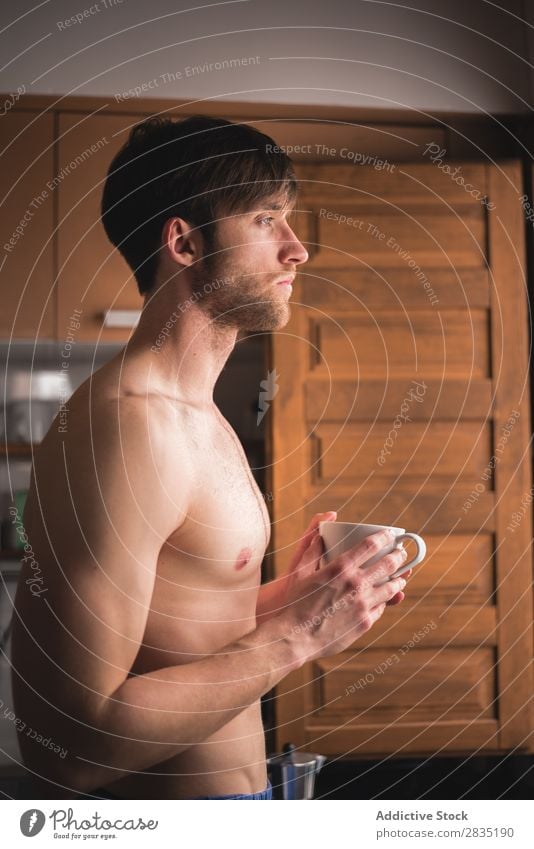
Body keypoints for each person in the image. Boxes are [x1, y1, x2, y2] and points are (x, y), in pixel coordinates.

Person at [11, 115, 409, 800]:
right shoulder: (130, 428)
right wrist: (298, 635)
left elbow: (180, 627)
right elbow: (68, 744)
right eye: (265, 220)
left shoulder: (199, 414)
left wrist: (298, 599)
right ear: (185, 242)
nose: (297, 250)